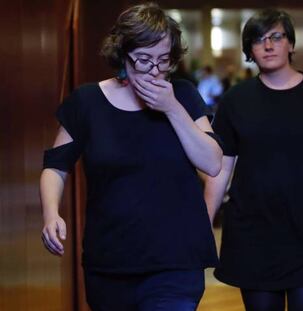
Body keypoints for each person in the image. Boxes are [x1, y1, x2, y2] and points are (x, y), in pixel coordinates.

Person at [40, 3, 222, 310]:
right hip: (110, 262)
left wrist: (172, 108)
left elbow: (212, 162)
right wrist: (50, 213)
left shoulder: (184, 95)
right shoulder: (87, 102)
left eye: (163, 61)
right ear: (123, 54)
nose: (154, 70)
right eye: (143, 60)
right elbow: (56, 165)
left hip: (176, 261)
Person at [203, 9, 303, 311]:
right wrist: (202, 224)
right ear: (250, 51)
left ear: (291, 44)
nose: (268, 45)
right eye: (259, 40)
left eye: (276, 37)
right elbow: (220, 167)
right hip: (254, 233)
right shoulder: (236, 100)